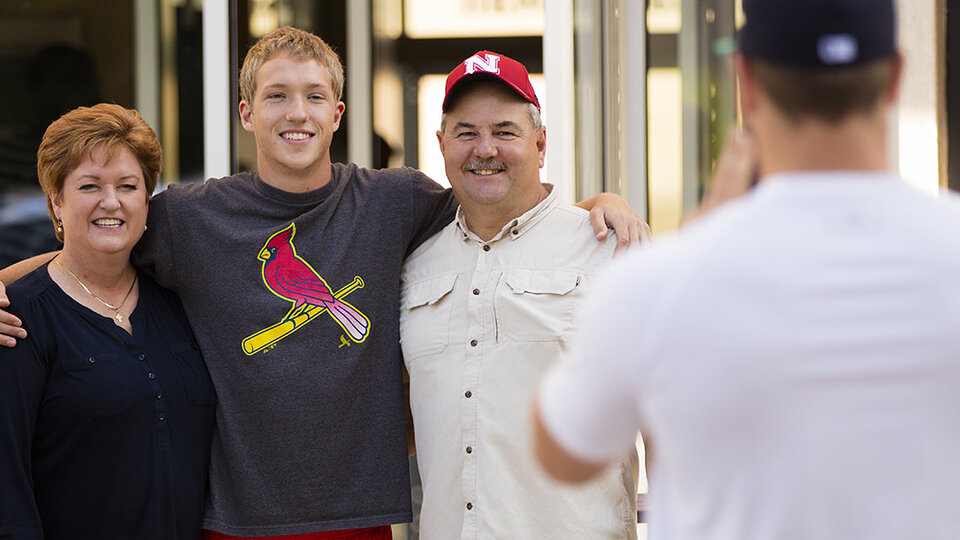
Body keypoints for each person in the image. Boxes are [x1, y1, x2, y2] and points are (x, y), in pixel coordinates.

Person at [0, 27, 644, 539]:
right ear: (247, 113)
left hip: (360, 518)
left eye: (313, 96)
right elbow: (95, 243)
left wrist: (593, 206)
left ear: (337, 114)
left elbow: (500, 202)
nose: (296, 113)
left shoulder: (396, 201)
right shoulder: (194, 217)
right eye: (277, 95)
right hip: (235, 521)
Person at [533, 0, 960, 539]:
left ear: (746, 81)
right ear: (896, 77)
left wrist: (695, 241)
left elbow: (560, 454)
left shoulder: (659, 284)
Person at [400, 51, 639, 539]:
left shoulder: (609, 252)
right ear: (441, 145)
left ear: (541, 142)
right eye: (467, 132)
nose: (485, 148)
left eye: (505, 131)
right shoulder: (414, 267)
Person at [0, 103, 215, 539]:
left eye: (128, 185)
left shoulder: (182, 303)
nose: (111, 201)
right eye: (89, 186)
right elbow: (8, 488)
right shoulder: (19, 321)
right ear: (56, 201)